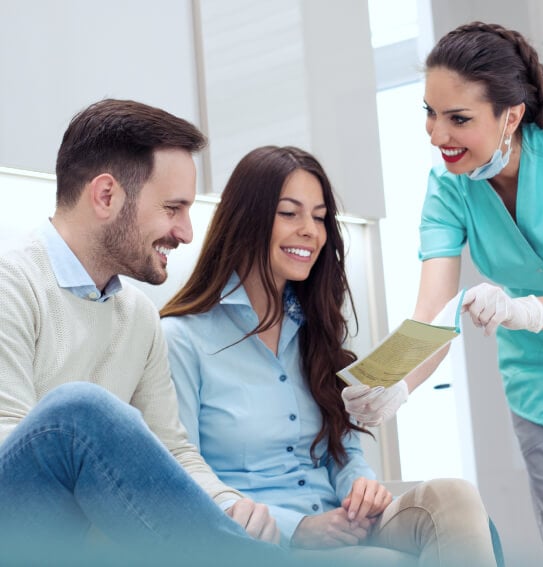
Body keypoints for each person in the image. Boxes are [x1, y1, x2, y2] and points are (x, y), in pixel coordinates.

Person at [160, 145, 499, 567]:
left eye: (319, 217)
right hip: (257, 543)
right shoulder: (181, 339)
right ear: (247, 218)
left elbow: (344, 453)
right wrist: (297, 530)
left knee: (455, 498)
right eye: (290, 213)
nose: (311, 231)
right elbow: (182, 478)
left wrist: (362, 487)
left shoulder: (315, 332)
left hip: (347, 524)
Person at [0, 98, 286, 566]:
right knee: (78, 410)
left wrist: (226, 505)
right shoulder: (9, 283)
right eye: (173, 208)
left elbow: (172, 449)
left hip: (77, 536)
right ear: (106, 196)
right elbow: (12, 445)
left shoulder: (138, 316)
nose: (187, 232)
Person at [341, 21, 543, 567]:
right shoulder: (448, 189)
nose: (438, 135)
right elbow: (433, 315)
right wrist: (393, 386)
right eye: (429, 112)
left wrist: (525, 309)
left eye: (458, 118)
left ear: (511, 114)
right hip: (539, 389)